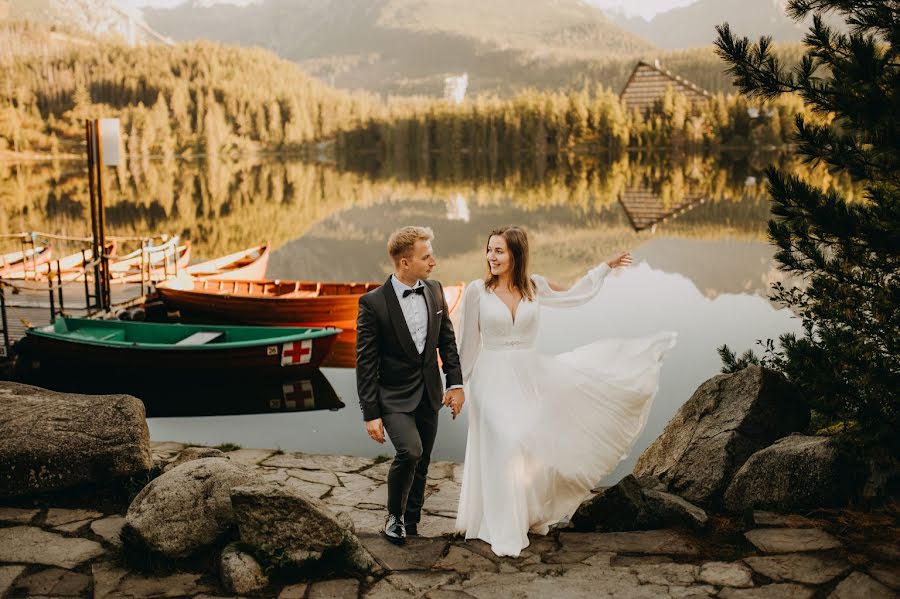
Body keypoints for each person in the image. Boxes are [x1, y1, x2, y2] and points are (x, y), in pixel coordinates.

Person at [454, 226, 677, 557]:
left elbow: (575, 295)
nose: (492, 257)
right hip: (490, 377)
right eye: (489, 250)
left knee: (527, 446)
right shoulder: (477, 291)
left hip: (529, 376)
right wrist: (458, 385)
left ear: (516, 253)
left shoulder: (534, 285)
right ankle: (502, 526)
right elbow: (468, 344)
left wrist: (605, 268)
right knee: (507, 440)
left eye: (499, 251)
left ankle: (524, 514)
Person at [356, 226, 465, 545]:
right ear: (405, 262)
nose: (434, 262)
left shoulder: (434, 290)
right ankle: (394, 516)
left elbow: (447, 341)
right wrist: (370, 413)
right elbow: (365, 362)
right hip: (392, 397)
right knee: (410, 451)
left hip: (429, 393)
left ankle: (412, 521)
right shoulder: (373, 303)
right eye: (426, 256)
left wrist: (454, 383)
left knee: (424, 459)